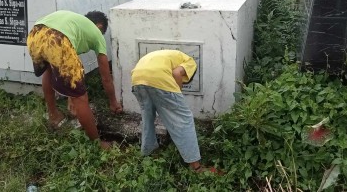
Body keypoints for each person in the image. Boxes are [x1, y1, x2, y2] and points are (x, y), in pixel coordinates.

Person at [27, 10, 123, 149]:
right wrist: (113, 102)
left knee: (49, 70)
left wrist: (69, 96)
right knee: (81, 97)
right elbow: (106, 78)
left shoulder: (75, 23)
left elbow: (68, 65)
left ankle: (53, 115)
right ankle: (97, 144)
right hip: (58, 39)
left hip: (35, 34)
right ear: (100, 27)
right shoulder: (97, 35)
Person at [131, 49, 213, 172]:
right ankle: (196, 167)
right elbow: (176, 73)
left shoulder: (168, 55)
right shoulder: (190, 62)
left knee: (147, 118)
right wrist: (178, 92)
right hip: (158, 77)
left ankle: (148, 153)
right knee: (184, 118)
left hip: (137, 79)